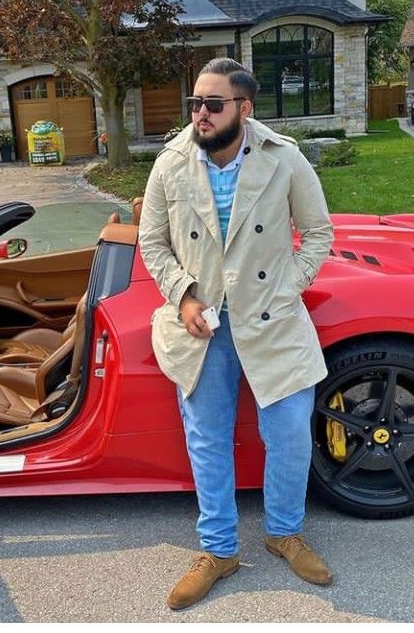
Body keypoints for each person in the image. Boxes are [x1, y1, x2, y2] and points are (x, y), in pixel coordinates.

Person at [138, 57, 335, 610]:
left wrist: (288, 287)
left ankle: (284, 532)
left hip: (272, 320)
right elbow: (152, 243)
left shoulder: (285, 159)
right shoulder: (171, 163)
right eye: (195, 103)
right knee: (207, 442)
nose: (200, 114)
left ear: (243, 109)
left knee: (291, 432)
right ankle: (219, 550)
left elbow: (318, 232)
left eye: (212, 104)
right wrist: (182, 296)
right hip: (204, 325)